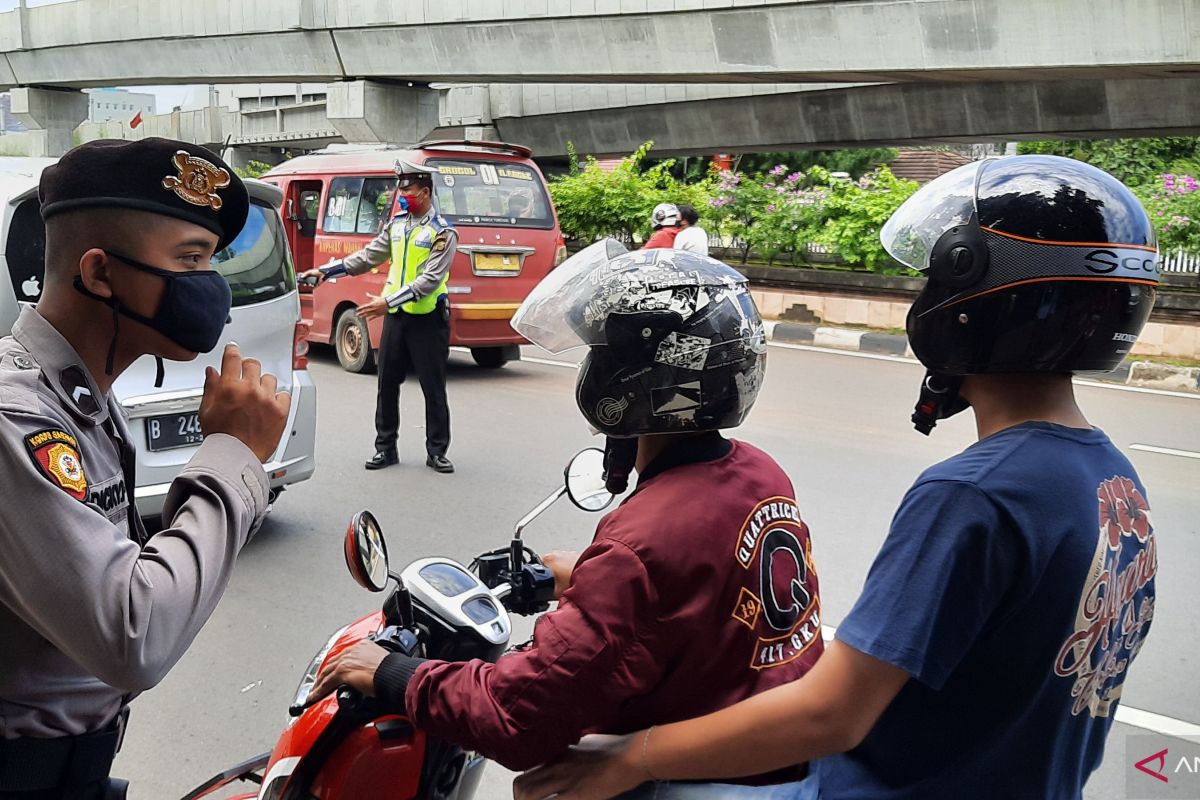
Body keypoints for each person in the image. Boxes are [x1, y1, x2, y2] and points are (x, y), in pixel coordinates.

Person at [513, 155, 1161, 800]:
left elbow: (832, 714)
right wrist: (590, 576)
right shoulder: (1114, 483)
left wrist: (633, 759)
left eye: (936, 277)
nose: (926, 296)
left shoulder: (973, 496)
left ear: (978, 295)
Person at [310, 243, 824, 791]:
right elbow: (704, 582)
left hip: (694, 781)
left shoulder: (642, 543)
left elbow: (522, 715)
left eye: (600, 356)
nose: (592, 367)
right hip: (769, 758)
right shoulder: (760, 473)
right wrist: (586, 574)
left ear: (633, 378)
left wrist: (389, 673)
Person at [0, 138, 290, 799]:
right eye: (190, 260)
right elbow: (134, 633)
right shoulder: (16, 417)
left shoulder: (82, 400)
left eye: (212, 260)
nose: (211, 285)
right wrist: (234, 457)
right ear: (100, 273)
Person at [300, 159, 457, 474]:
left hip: (427, 319)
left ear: (425, 192)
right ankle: (385, 448)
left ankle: (437, 451)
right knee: (387, 384)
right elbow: (368, 256)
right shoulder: (397, 225)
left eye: (408, 188)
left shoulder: (443, 233)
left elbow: (428, 281)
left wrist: (386, 302)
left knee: (433, 387)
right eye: (401, 186)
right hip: (396, 319)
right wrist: (327, 271)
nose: (401, 192)